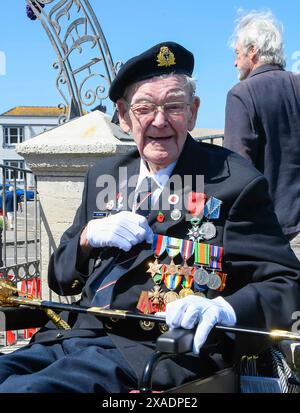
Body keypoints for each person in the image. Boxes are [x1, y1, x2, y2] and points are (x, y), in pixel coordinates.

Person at [0, 41, 299, 394]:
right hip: (69, 336)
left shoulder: (235, 181)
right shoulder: (103, 176)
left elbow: (286, 281)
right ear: (125, 116)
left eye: (173, 106)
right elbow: (61, 280)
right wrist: (85, 239)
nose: (159, 120)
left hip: (154, 352)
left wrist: (224, 309)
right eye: (145, 108)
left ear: (193, 112)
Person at [224, 10, 300, 260]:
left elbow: (238, 168)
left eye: (237, 54)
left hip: (274, 233)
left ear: (253, 51)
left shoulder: (241, 94)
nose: (235, 62)